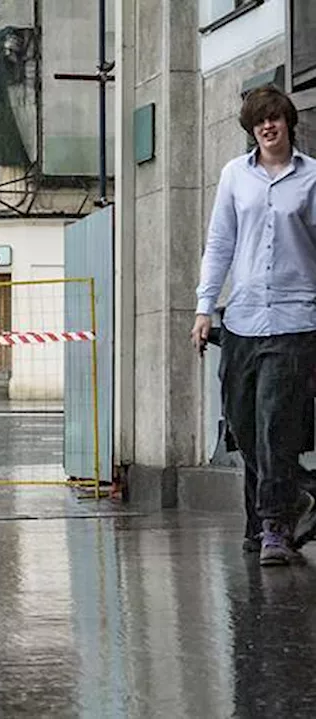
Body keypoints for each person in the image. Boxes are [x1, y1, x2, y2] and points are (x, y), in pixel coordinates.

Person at [193, 86, 316, 566]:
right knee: (243, 427)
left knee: (275, 425)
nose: (268, 127)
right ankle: (294, 499)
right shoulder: (234, 177)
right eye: (258, 121)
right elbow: (220, 243)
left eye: (275, 119)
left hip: (295, 318)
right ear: (252, 129)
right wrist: (205, 308)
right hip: (242, 318)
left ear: (288, 123)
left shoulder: (311, 179)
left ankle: (274, 528)